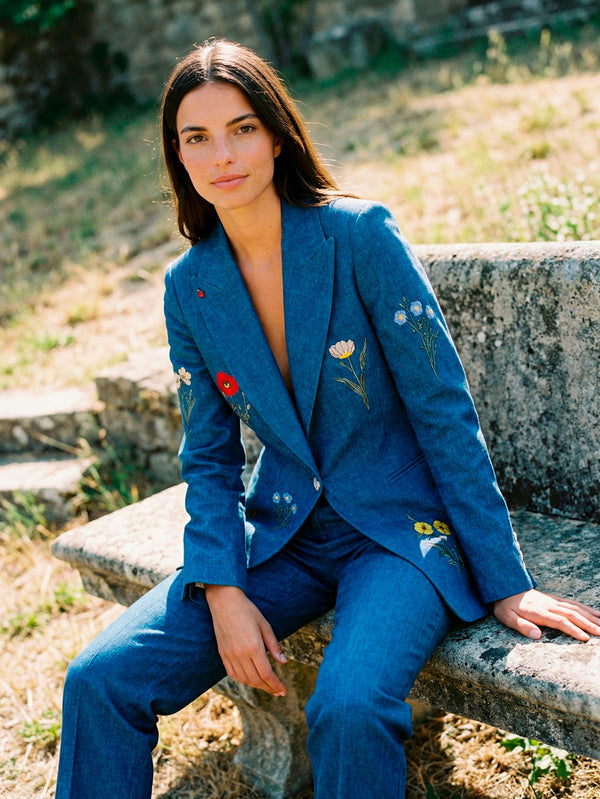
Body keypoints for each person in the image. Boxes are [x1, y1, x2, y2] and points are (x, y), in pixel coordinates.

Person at [55, 38, 600, 799]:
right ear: (177, 156)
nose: (223, 154)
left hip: (400, 535)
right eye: (196, 137)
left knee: (346, 706)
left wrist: (506, 579)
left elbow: (444, 411)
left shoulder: (359, 236)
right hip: (281, 533)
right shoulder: (190, 288)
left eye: (242, 127)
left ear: (277, 133)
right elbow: (209, 458)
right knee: (99, 679)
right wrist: (222, 588)